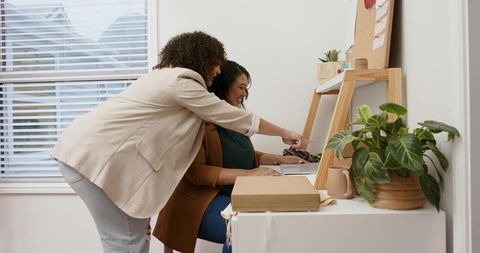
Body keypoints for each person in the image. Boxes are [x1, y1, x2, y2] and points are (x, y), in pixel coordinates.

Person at [50, 31, 306, 253]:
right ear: (202, 60)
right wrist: (284, 133)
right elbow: (233, 120)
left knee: (126, 238)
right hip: (92, 159)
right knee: (127, 241)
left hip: (83, 156)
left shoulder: (163, 80)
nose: (217, 70)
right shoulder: (181, 82)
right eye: (216, 63)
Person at [153, 60, 306, 253]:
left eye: (245, 88)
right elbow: (198, 172)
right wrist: (249, 175)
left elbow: (245, 156)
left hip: (229, 193)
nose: (244, 94)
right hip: (196, 201)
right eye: (240, 87)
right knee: (243, 227)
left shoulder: (236, 120)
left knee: (264, 224)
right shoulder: (198, 122)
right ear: (224, 85)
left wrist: (280, 159)